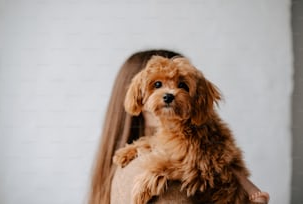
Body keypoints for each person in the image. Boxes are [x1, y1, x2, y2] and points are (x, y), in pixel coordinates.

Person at [88, 50, 269, 204]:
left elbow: (203, 165)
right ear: (140, 95)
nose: (169, 93)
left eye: (182, 86)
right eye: (157, 85)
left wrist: (159, 171)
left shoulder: (202, 137)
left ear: (196, 98)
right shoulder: (140, 168)